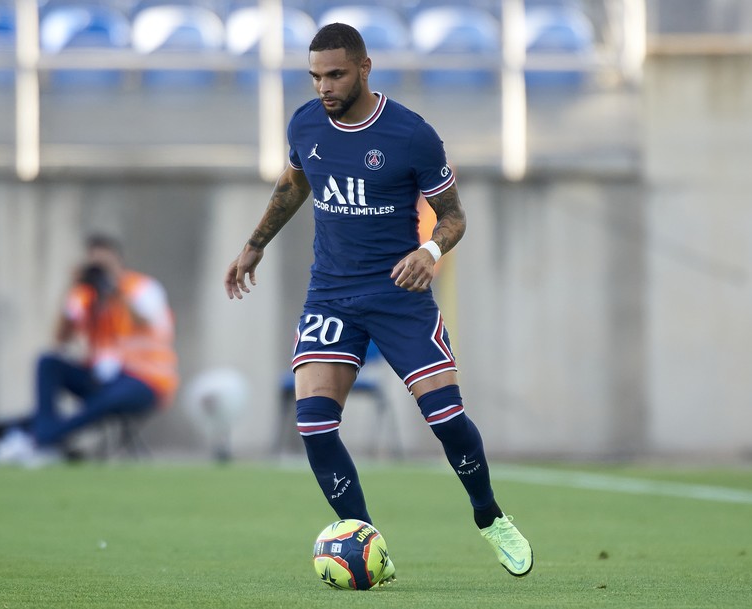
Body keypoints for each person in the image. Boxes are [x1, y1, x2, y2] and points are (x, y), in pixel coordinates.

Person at [224, 23, 533, 578]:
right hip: (331, 294)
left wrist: (431, 250)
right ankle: (367, 544)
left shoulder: (411, 135)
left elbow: (456, 216)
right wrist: (254, 244)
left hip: (399, 295)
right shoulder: (304, 122)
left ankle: (489, 517)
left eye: (336, 74)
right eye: (316, 76)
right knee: (315, 425)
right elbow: (293, 185)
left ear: (364, 69)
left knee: (446, 418)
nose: (324, 87)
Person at [0, 233, 178, 466]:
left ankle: (41, 439)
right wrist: (73, 287)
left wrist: (115, 287)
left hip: (145, 380)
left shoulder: (142, 287)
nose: (100, 271)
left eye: (105, 264)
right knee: (48, 362)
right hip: (102, 377)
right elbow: (60, 338)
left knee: (113, 396)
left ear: (119, 261)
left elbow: (142, 321)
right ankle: (46, 437)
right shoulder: (86, 295)